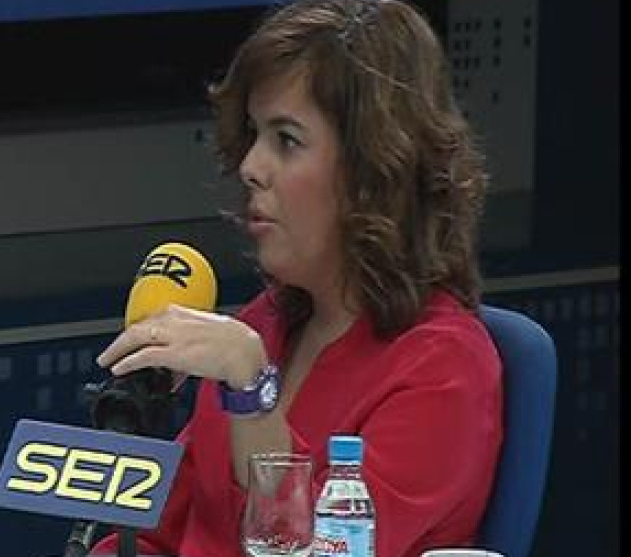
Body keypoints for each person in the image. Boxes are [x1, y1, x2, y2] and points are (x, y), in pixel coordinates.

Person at [91, 1, 503, 556]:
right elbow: (156, 533)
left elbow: (319, 549)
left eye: (286, 140)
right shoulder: (264, 326)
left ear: (373, 171)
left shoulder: (445, 370)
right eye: (254, 134)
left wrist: (253, 397)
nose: (250, 167)